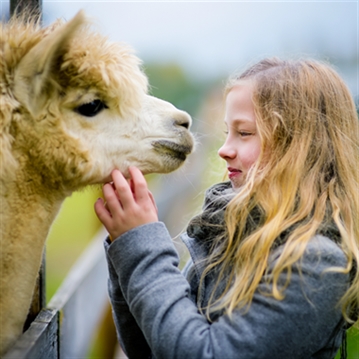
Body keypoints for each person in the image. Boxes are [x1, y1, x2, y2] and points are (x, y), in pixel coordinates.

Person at [94, 57, 359, 359]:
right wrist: (127, 244)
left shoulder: (315, 263)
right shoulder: (227, 233)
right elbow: (150, 346)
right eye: (226, 133)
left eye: (244, 133)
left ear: (299, 146)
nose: (224, 149)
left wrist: (143, 247)